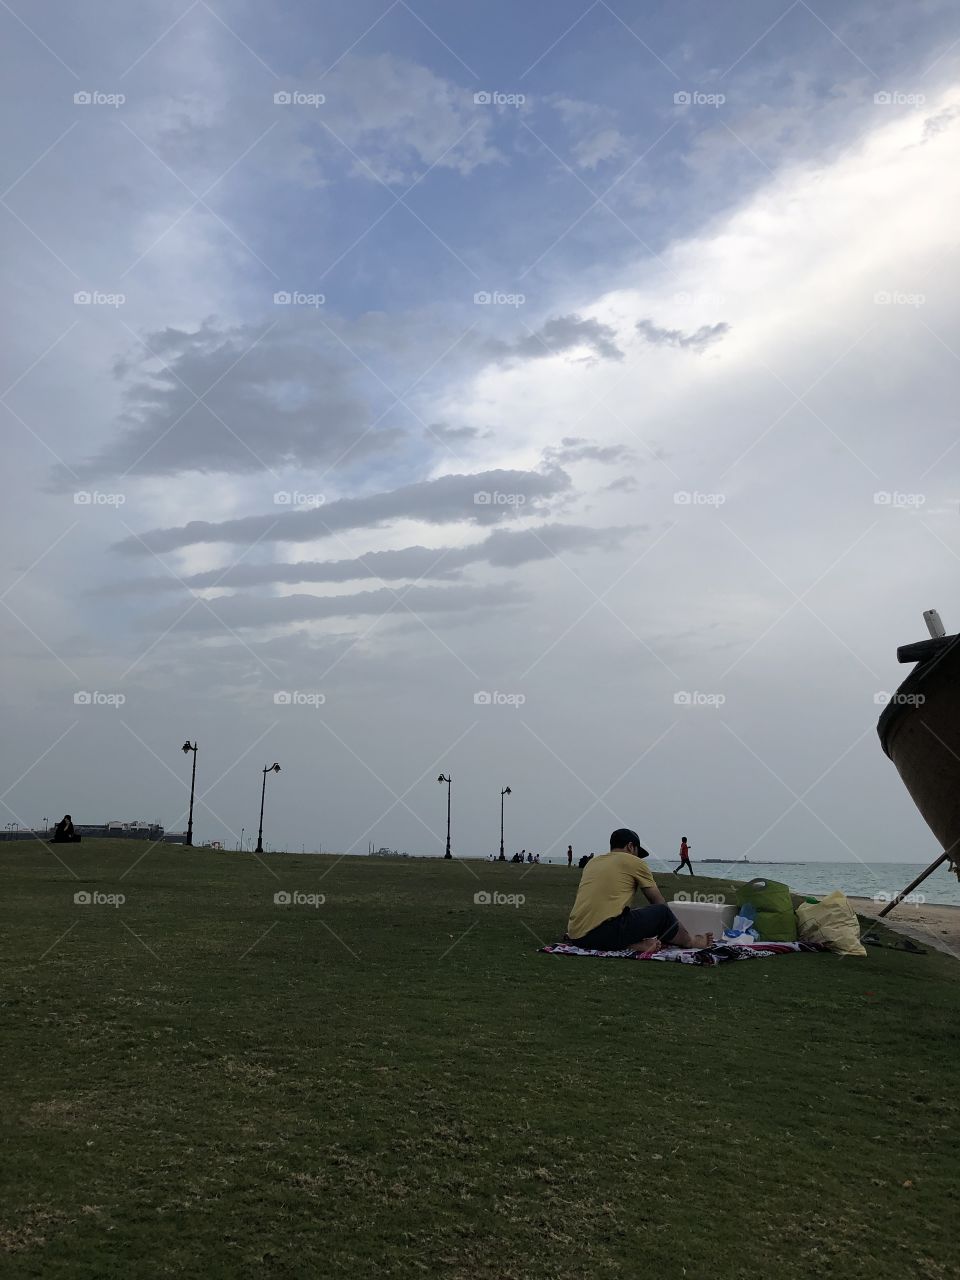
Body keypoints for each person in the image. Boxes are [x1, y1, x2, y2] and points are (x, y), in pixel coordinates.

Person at [565, 828, 695, 952]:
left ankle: (633, 945)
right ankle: (691, 941)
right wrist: (683, 933)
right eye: (637, 853)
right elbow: (657, 902)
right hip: (604, 933)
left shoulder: (592, 863)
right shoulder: (633, 861)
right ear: (630, 846)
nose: (638, 857)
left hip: (577, 936)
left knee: (629, 913)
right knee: (663, 912)